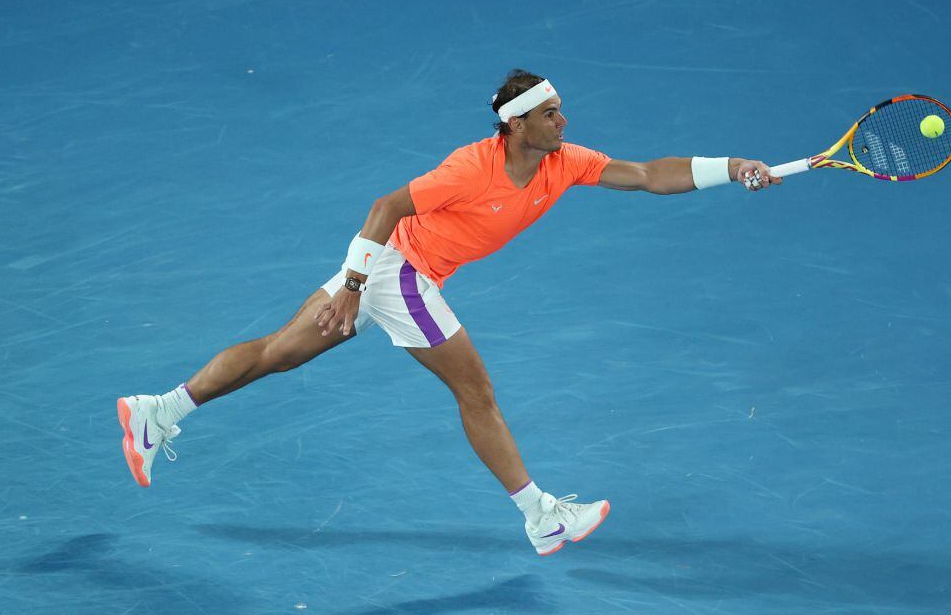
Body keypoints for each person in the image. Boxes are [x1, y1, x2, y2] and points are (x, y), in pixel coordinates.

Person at [117, 69, 781, 556]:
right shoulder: (471, 169)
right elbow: (384, 207)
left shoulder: (562, 163)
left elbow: (644, 174)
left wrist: (734, 166)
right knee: (477, 392)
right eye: (551, 114)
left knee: (276, 353)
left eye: (561, 110)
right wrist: (353, 282)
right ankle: (540, 515)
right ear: (515, 124)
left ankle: (158, 409)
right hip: (395, 275)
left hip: (389, 272)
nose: (564, 122)